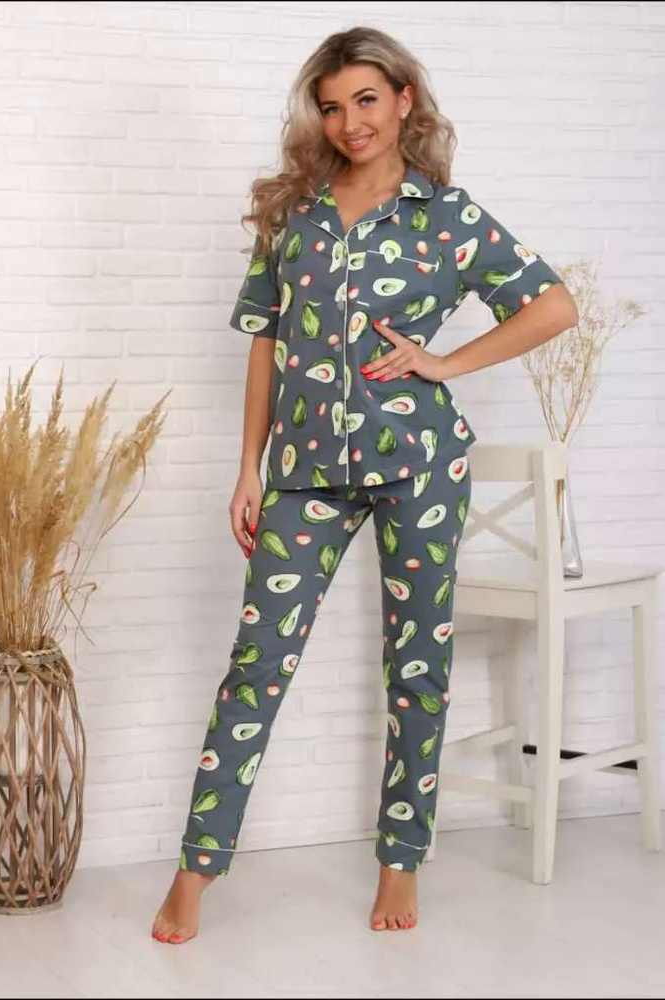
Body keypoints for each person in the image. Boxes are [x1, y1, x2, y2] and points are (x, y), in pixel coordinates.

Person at [152, 25, 579, 946]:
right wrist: (249, 467)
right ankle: (196, 870)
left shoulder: (447, 217)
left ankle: (400, 860)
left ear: (404, 100)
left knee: (416, 668)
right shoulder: (294, 216)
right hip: (304, 474)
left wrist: (446, 362)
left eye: (367, 100)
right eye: (334, 106)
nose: (351, 121)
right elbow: (266, 342)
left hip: (421, 465)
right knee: (257, 666)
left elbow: (554, 305)